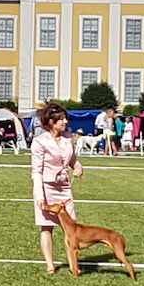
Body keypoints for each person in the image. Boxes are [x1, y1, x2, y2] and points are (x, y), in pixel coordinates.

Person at [30, 101, 83, 275]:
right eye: (62, 119)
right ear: (52, 122)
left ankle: (72, 264)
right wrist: (40, 196)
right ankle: (50, 265)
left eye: (66, 119)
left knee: (70, 228)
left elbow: (72, 159)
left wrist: (77, 167)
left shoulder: (68, 139)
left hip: (65, 188)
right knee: (46, 227)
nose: (66, 122)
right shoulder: (39, 142)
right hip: (46, 189)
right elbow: (36, 171)